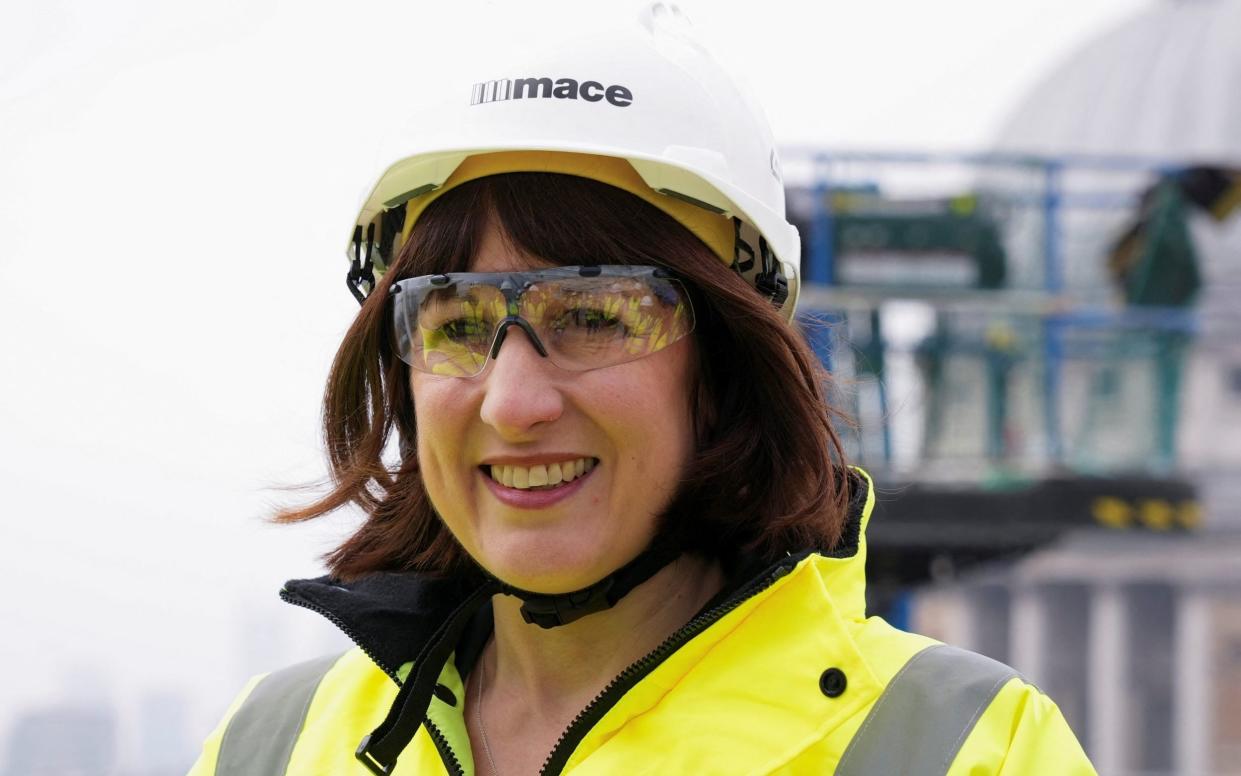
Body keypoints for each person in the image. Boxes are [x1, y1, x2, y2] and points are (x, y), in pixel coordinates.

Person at [190, 4, 1096, 774]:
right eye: (458, 324)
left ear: (725, 367)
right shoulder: (269, 747)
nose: (512, 403)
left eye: (592, 315)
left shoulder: (963, 749)